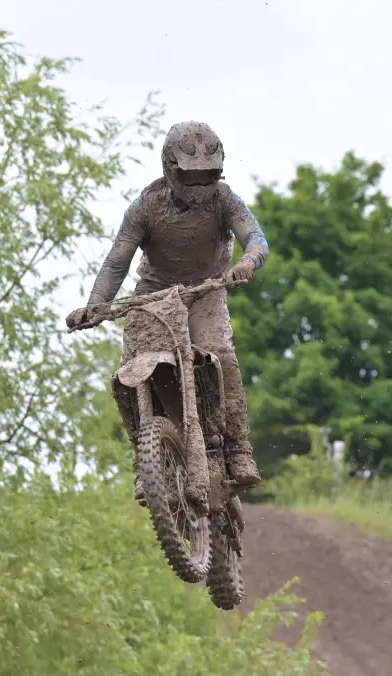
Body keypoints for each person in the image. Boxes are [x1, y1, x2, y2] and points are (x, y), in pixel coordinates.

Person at [69, 121, 269, 489]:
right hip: (155, 293)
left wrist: (247, 262)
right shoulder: (146, 206)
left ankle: (239, 447)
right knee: (132, 371)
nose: (200, 186)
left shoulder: (226, 200)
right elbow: (118, 261)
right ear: (170, 169)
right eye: (192, 177)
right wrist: (96, 306)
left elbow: (255, 237)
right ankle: (145, 460)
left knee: (220, 354)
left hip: (207, 289)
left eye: (208, 176)